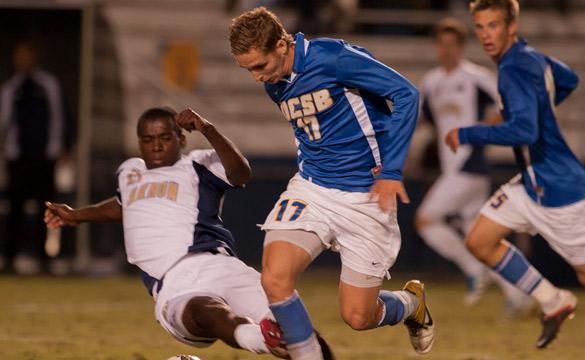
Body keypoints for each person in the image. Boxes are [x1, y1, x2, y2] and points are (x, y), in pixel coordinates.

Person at [44, 107, 333, 358]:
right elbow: (123, 205)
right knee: (206, 310)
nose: (156, 146)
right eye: (148, 140)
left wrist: (208, 130)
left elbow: (241, 174)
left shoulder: (197, 163)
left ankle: (276, 335)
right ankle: (261, 338)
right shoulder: (129, 171)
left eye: (165, 138)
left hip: (222, 265)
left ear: (181, 138)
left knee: (302, 335)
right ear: (139, 143)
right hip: (174, 283)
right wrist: (76, 216)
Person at [228, 7, 434, 359]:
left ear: (281, 45)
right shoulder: (275, 82)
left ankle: (410, 303)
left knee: (358, 316)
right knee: (274, 279)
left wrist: (391, 170)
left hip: (366, 198)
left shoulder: (334, 58)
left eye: (259, 66)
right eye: (248, 70)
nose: (256, 78)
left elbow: (406, 95)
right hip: (313, 190)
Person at [445, 0, 585, 349]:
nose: (486, 34)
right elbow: (568, 79)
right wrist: (541, 109)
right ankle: (553, 300)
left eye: (494, 25)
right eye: (480, 26)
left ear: (511, 27)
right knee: (480, 240)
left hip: (559, 189)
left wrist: (468, 133)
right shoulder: (531, 58)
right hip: (532, 182)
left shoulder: (513, 68)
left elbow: (523, 131)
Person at [415, 17, 531, 311]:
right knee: (479, 236)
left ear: (461, 46)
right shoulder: (432, 81)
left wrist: (479, 130)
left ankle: (473, 270)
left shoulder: (476, 76)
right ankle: (522, 295)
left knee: (426, 220)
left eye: (452, 44)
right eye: (442, 44)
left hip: (469, 164)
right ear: (436, 46)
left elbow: (508, 107)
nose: (446, 50)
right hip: (452, 168)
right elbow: (422, 119)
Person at [0, 40, 68, 274]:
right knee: (15, 209)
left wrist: (59, 147)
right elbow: (5, 121)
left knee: (46, 209)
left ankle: (45, 258)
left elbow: (59, 117)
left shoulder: (48, 84)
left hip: (43, 158)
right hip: (18, 158)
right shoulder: (11, 88)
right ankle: (9, 258)